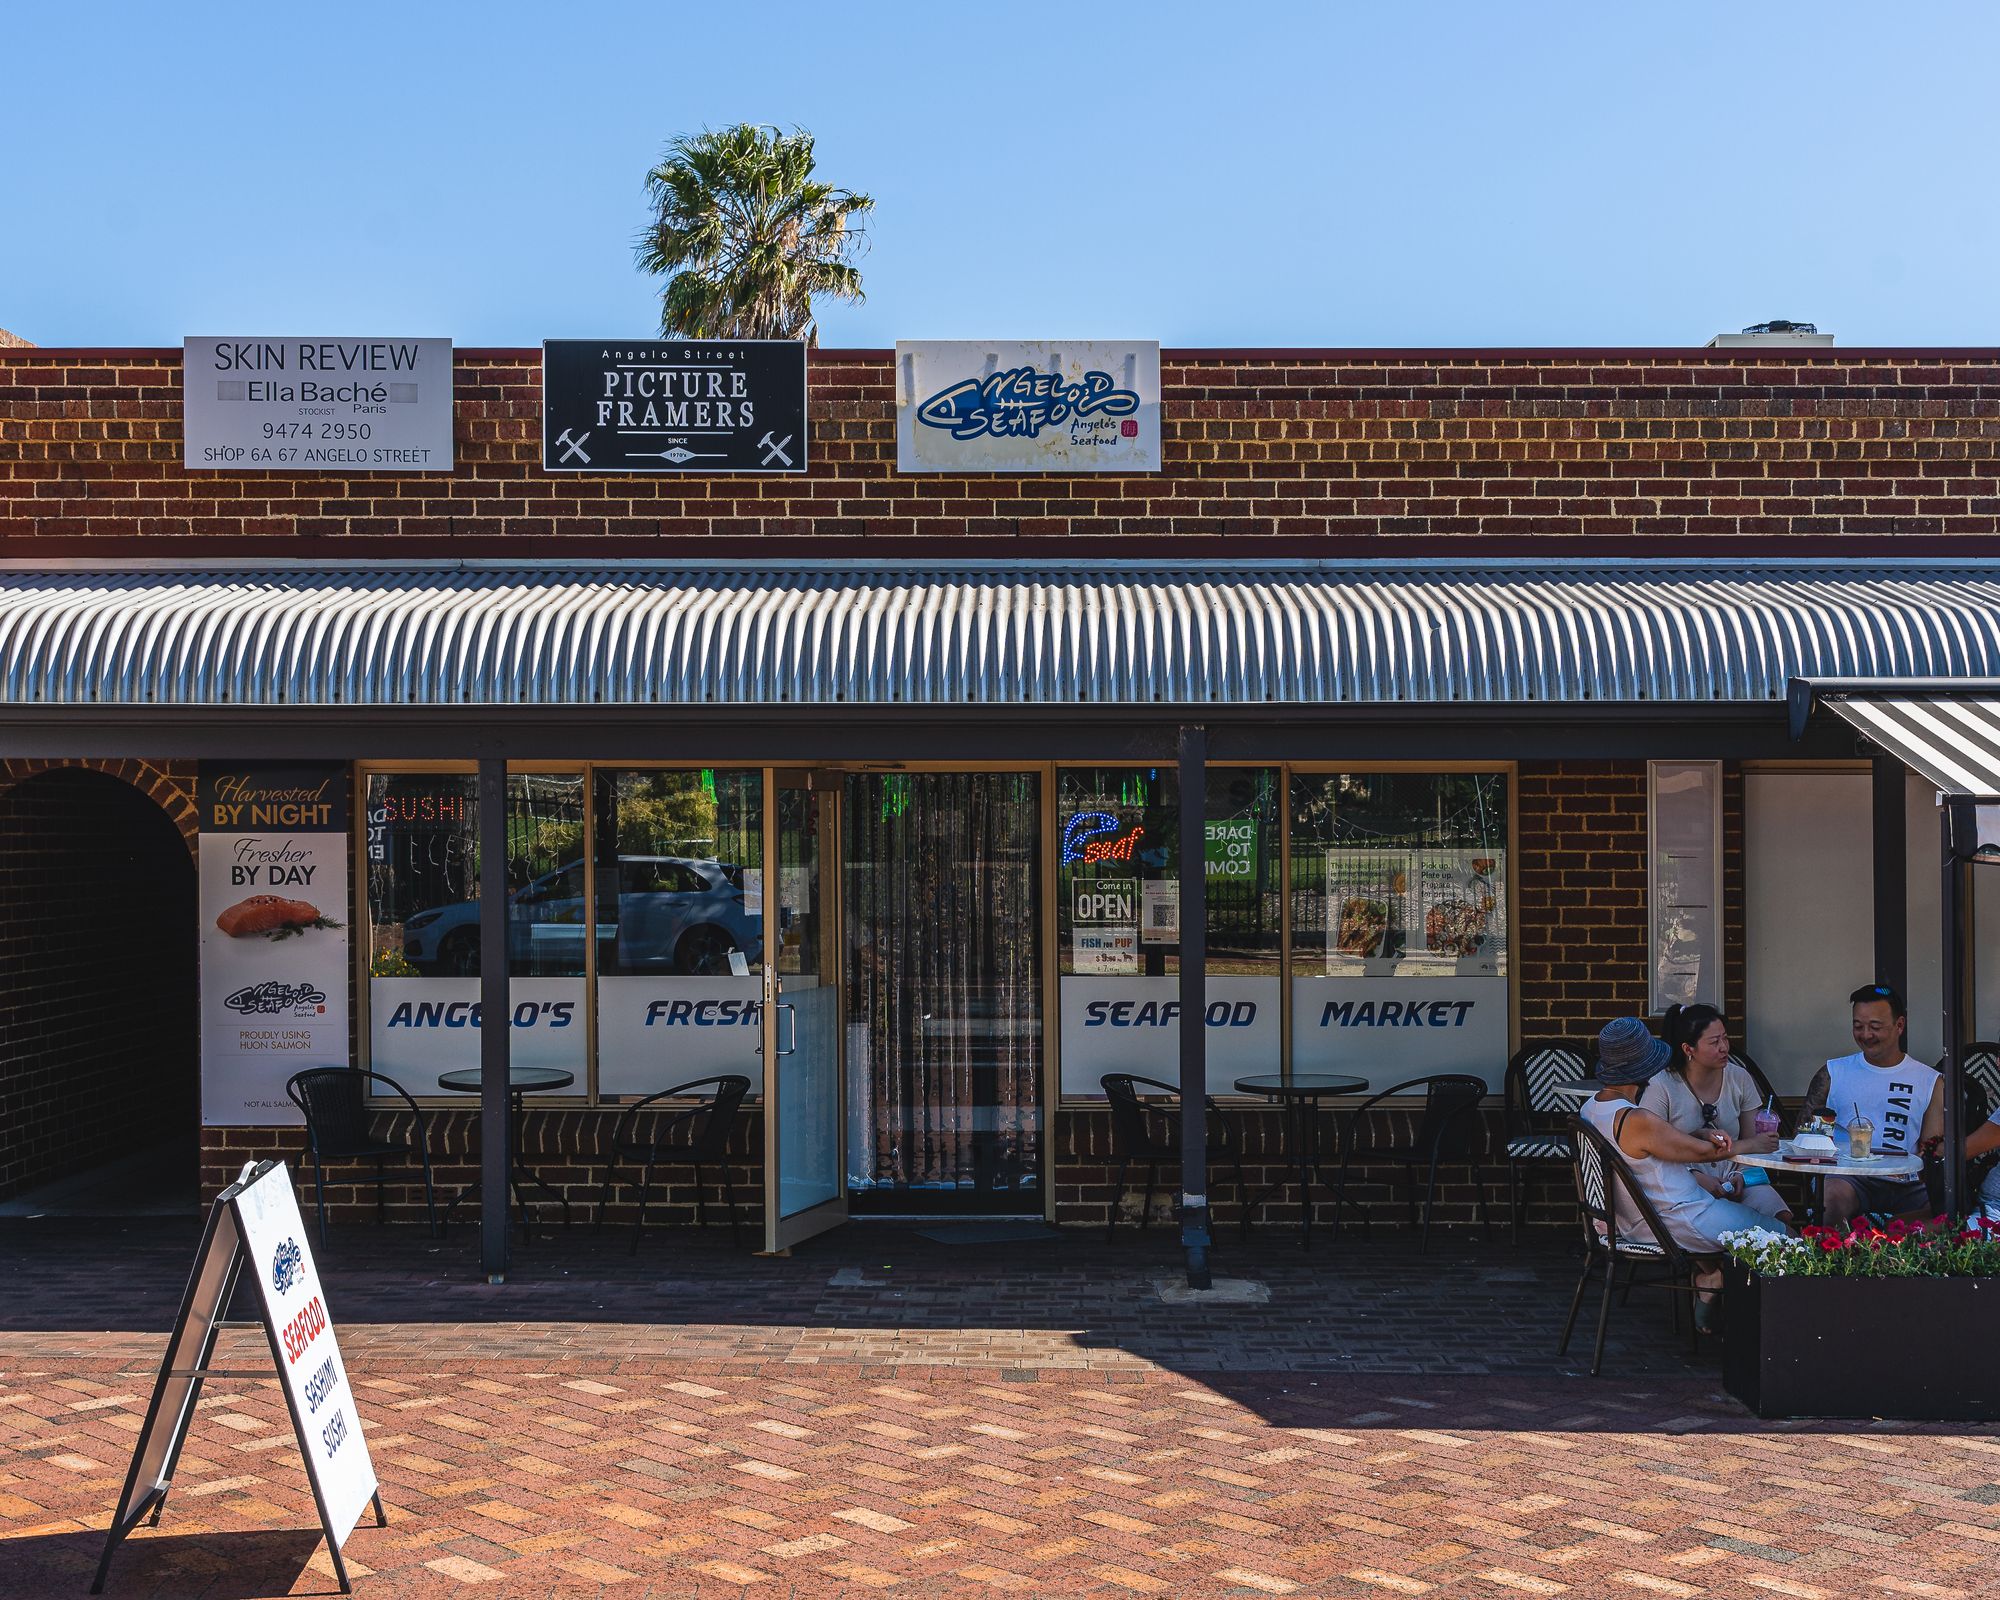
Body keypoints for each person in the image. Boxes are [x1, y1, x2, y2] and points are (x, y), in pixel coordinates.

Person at [1581, 1016, 1788, 1327]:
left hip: (1635, 1220)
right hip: (1679, 1218)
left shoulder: (1592, 1108)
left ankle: (1719, 1286)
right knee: (1785, 1239)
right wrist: (1748, 1144)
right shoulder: (1636, 1119)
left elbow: (1654, 1149)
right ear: (1642, 1069)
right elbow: (1702, 1154)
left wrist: (1698, 1134)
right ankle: (1777, 1331)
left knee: (1757, 1225)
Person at [1801, 984, 1942, 1229]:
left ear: (1900, 1025)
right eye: (1858, 1026)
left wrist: (1918, 1164)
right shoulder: (1834, 1072)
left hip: (1907, 1183)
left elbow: (1932, 1150)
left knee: (1946, 1212)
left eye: (1875, 1027)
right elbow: (1803, 1135)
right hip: (1848, 1178)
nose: (1866, 1035)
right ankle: (1833, 1263)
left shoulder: (1929, 1080)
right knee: (1832, 1198)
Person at [1642, 1003, 1791, 1224]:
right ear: (1688, 1049)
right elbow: (1650, 1151)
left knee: (1780, 1217)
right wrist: (1697, 1177)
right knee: (1726, 1223)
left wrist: (1741, 1175)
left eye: (1725, 1038)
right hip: (1683, 1177)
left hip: (1734, 1172)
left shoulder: (1739, 1077)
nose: (1724, 1047)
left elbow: (1755, 1142)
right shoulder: (1661, 1085)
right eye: (1714, 1042)